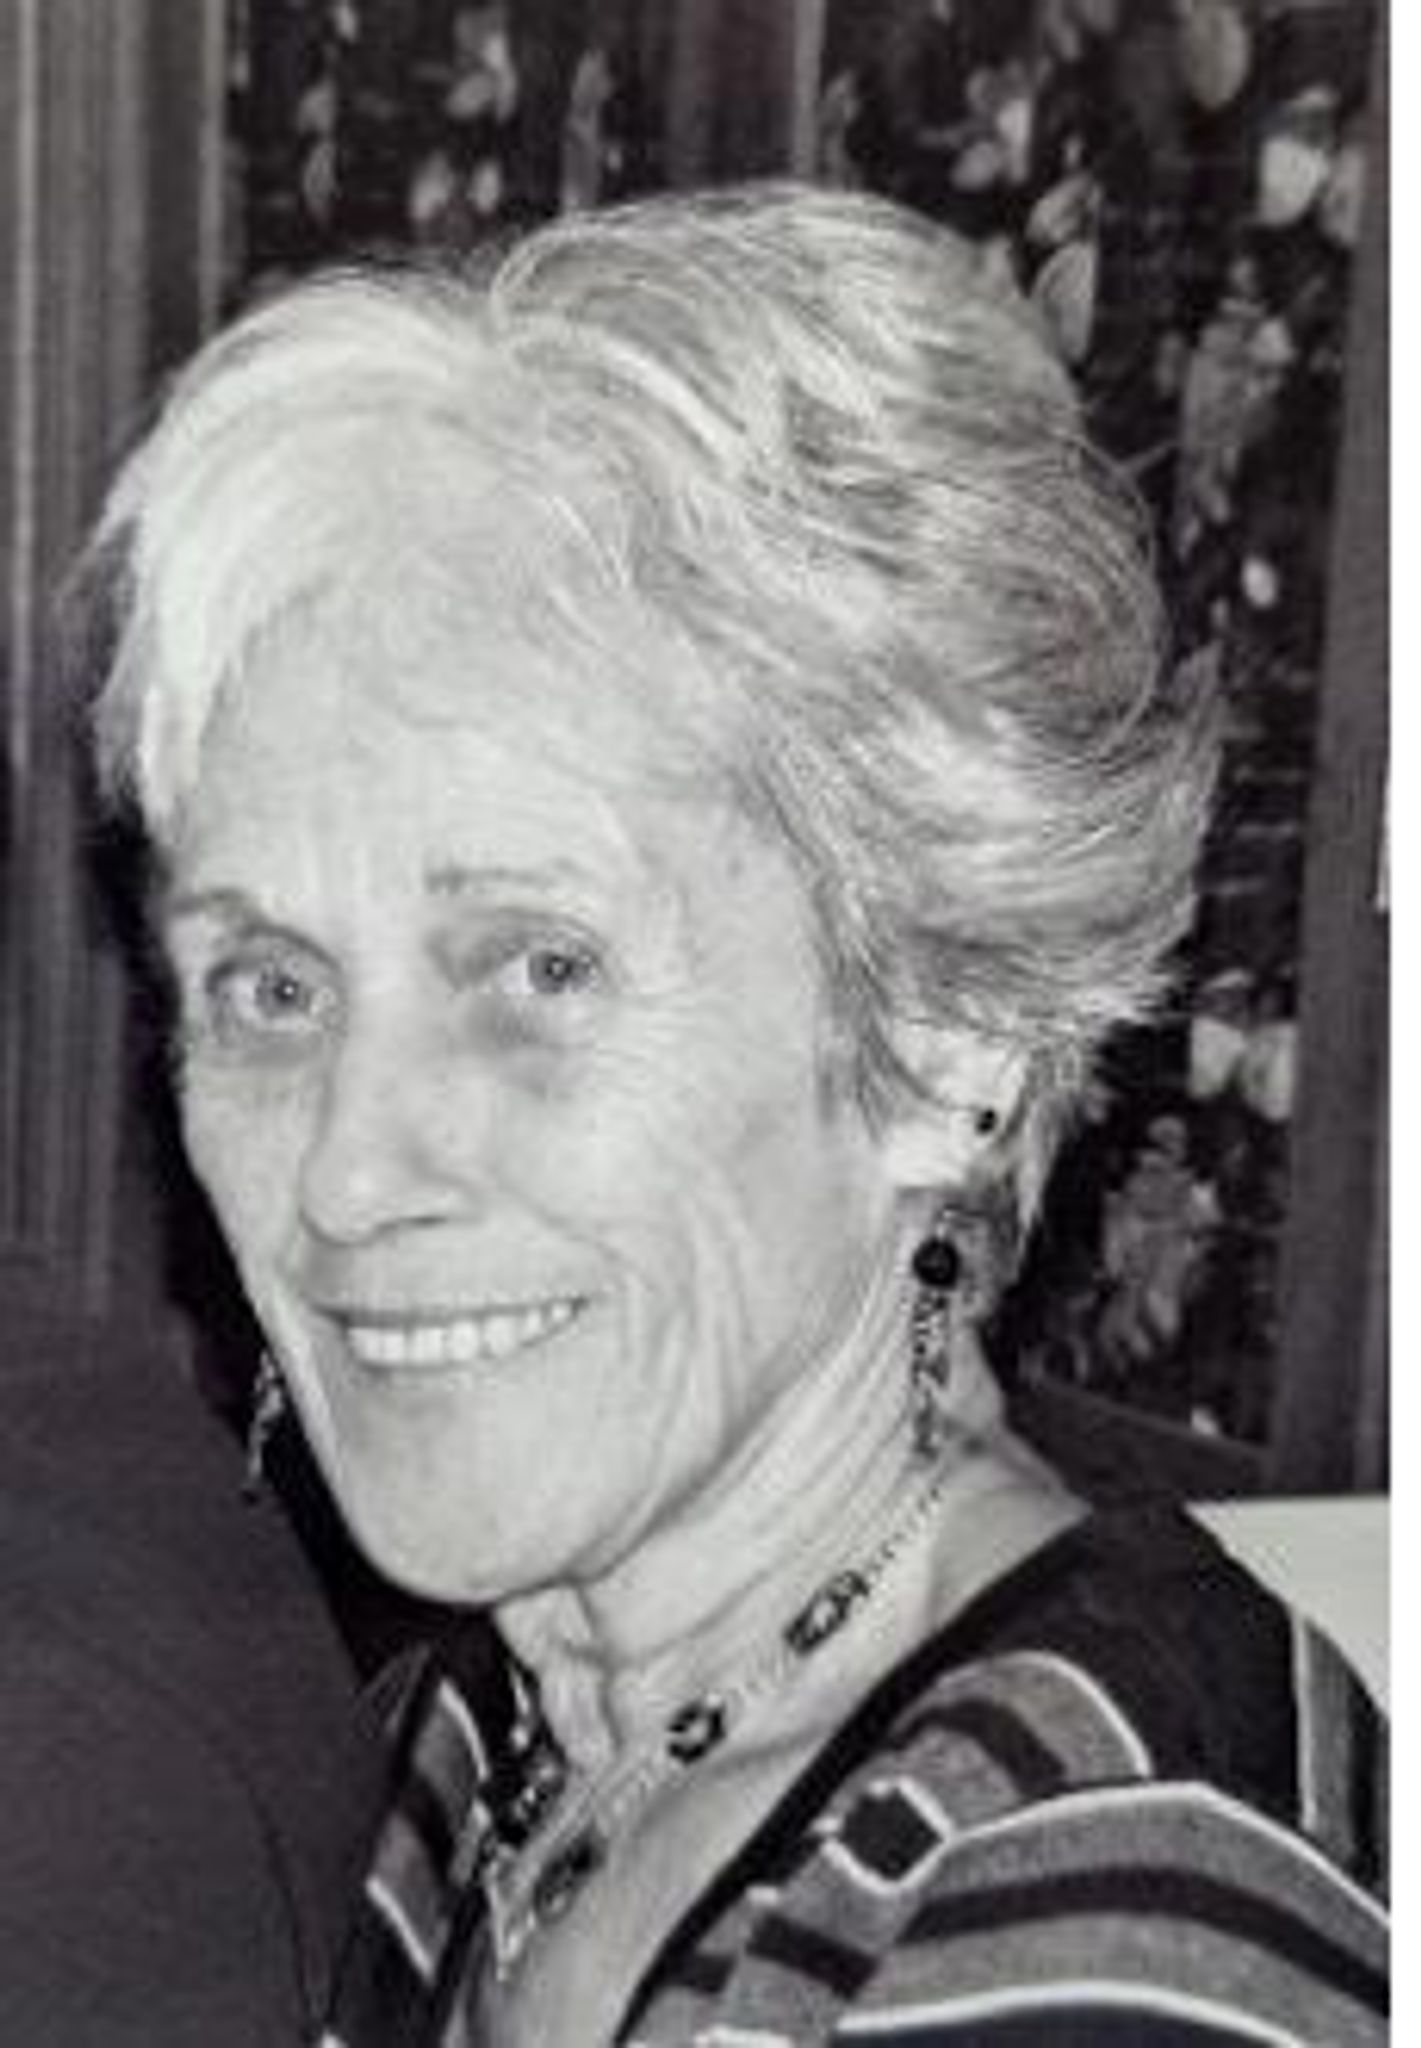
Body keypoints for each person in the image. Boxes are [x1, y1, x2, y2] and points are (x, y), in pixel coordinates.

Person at [83, 185, 1386, 2046]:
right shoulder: (507, 1726)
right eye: (271, 989)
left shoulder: (1109, 1916)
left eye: (538, 969)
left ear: (945, 1037)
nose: (350, 1173)